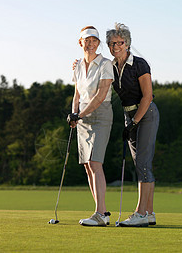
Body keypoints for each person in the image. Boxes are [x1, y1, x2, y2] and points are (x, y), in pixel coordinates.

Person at [106, 23, 159, 227]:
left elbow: (148, 96)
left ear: (127, 44)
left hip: (146, 114)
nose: (116, 46)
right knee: (142, 165)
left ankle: (140, 213)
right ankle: (150, 213)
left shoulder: (139, 64)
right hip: (130, 117)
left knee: (143, 164)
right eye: (112, 43)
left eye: (120, 42)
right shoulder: (110, 67)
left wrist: (134, 122)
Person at [67, 26, 114, 226]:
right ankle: (100, 212)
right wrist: (73, 114)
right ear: (81, 42)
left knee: (95, 163)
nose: (91, 43)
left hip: (101, 113)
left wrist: (80, 114)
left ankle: (101, 213)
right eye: (87, 40)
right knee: (87, 165)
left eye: (95, 40)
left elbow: (100, 95)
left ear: (98, 43)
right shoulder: (77, 66)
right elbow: (77, 94)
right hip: (82, 116)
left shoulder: (105, 64)